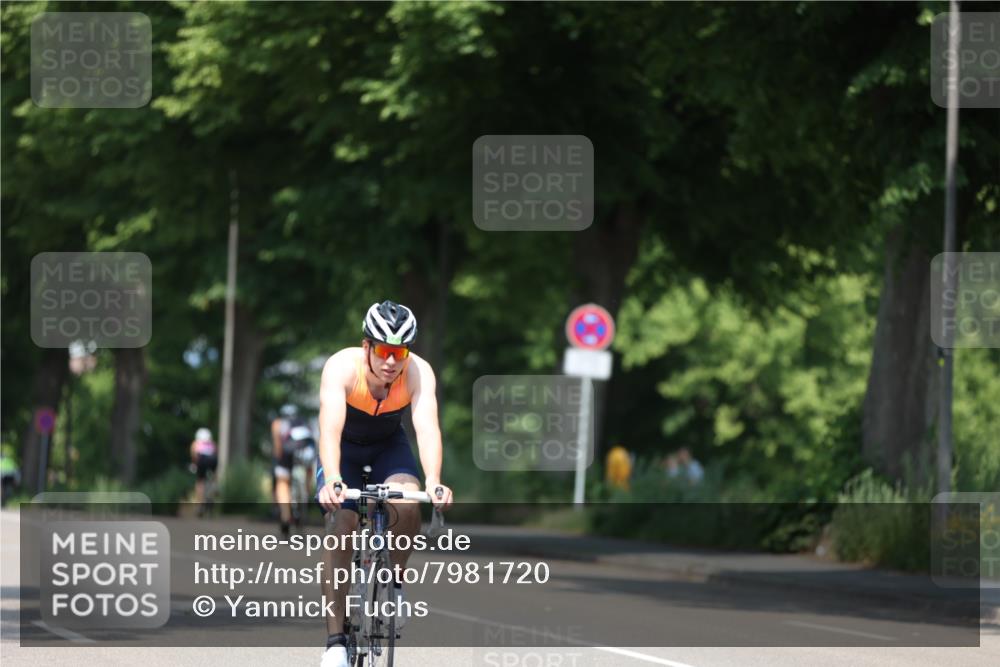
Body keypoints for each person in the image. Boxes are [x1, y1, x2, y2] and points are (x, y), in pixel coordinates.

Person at [315, 300, 453, 667]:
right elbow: (329, 429)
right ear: (367, 347)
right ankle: (335, 642)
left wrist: (435, 480)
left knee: (408, 503)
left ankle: (394, 582)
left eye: (400, 352)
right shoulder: (341, 368)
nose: (392, 361)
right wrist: (332, 479)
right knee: (342, 526)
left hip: (387, 447)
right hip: (344, 447)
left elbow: (426, 428)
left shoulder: (419, 373)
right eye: (384, 351)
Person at [272, 404, 308, 537]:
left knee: (282, 483)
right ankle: (304, 497)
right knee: (306, 473)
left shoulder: (278, 423)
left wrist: (277, 459)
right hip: (304, 455)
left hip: (286, 456)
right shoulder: (303, 423)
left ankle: (286, 516)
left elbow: (277, 444)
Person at [189, 428, 217, 511]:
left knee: (200, 481)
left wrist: (194, 464)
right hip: (213, 459)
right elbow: (215, 452)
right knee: (213, 479)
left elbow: (194, 454)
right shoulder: (212, 443)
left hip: (202, 459)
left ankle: (200, 503)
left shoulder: (196, 443)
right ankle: (211, 495)